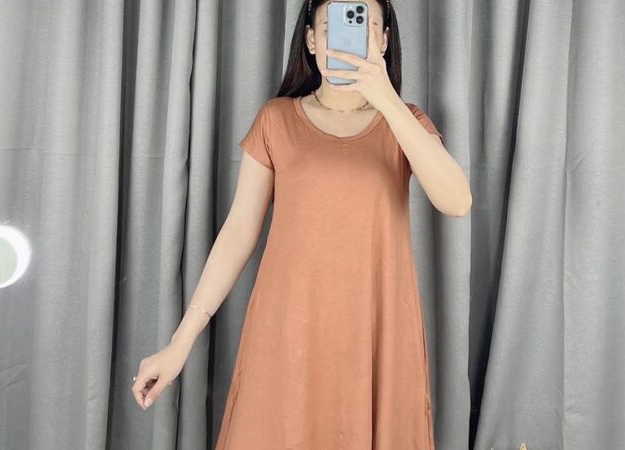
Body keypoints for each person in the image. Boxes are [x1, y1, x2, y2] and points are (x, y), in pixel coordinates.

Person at [131, 0, 471, 448]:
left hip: (378, 334)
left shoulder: (405, 124)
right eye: (331, 27)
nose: (345, 40)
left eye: (364, 25)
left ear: (384, 41)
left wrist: (386, 99)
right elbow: (238, 233)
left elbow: (457, 201)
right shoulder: (276, 120)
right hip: (287, 333)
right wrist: (180, 343)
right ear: (311, 40)